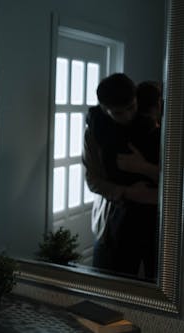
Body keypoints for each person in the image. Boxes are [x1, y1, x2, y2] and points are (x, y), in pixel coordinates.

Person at [83, 73, 159, 281]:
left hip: (159, 219)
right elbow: (93, 180)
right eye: (118, 113)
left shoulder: (154, 121)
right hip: (113, 217)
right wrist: (128, 193)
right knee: (109, 285)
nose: (127, 116)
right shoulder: (95, 131)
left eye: (131, 108)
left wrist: (143, 168)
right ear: (104, 109)